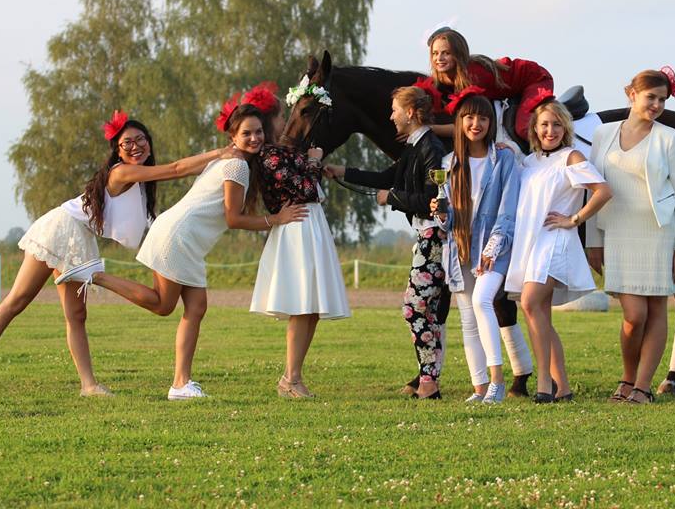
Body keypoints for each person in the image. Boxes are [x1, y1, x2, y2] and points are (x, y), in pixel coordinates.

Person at [0, 111, 234, 398]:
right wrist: (220, 153)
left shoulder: (140, 186)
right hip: (61, 228)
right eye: (127, 143)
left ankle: (88, 385)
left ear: (149, 143)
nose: (135, 146)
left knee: (77, 314)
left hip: (81, 237)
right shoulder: (121, 172)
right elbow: (176, 169)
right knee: (18, 300)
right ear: (117, 150)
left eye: (141, 139)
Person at [58, 92, 307, 400]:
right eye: (247, 133)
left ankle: (180, 384)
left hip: (185, 240)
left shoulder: (232, 161)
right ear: (233, 136)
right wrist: (276, 219)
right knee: (163, 305)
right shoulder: (236, 166)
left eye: (258, 132)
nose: (254, 138)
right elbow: (233, 219)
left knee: (196, 307)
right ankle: (94, 275)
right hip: (178, 237)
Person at [324, 86, 447, 399]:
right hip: (426, 237)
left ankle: (429, 381)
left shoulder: (430, 148)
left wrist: (392, 198)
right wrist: (343, 172)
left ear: (410, 112)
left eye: (395, 110)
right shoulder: (415, 146)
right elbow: (386, 177)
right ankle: (428, 379)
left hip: (434, 236)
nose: (391, 116)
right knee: (423, 310)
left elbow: (432, 200)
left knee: (414, 309)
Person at [586, 67, 675, 404]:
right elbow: (592, 189)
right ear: (631, 94)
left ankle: (642, 387)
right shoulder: (603, 134)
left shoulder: (669, 138)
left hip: (659, 234)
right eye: (651, 97)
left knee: (656, 310)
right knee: (633, 316)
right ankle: (627, 377)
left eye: (662, 99)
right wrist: (593, 240)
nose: (657, 105)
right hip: (617, 232)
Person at [505, 95, 612, 403]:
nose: (549, 131)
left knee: (530, 302)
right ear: (534, 129)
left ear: (565, 128)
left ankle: (544, 384)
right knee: (537, 312)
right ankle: (562, 387)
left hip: (555, 239)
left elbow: (603, 191)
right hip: (531, 242)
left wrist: (574, 219)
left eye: (556, 125)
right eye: (544, 125)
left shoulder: (571, 157)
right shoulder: (530, 162)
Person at [250, 81, 350, 398]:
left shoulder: (288, 152)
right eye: (281, 117)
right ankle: (290, 378)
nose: (286, 122)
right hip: (297, 226)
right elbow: (305, 187)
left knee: (312, 307)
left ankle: (293, 376)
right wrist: (315, 160)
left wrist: (311, 160)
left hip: (311, 223)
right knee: (302, 304)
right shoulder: (269, 156)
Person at [434, 88, 523, 404]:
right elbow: (448, 222)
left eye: (483, 118)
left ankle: (498, 381)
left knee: (483, 301)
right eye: (469, 117)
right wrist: (441, 214)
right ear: (460, 122)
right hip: (460, 249)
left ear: (491, 123)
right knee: (468, 321)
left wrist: (492, 248)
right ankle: (479, 387)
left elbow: (508, 211)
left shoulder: (504, 159)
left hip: (495, 248)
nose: (476, 124)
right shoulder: (449, 163)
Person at [417, 27, 554, 142]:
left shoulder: (473, 77)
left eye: (446, 53)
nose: (439, 58)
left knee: (522, 128)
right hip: (515, 82)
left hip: (535, 79)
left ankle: (549, 155)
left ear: (458, 55)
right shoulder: (443, 75)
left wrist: (429, 129)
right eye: (435, 53)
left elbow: (465, 126)